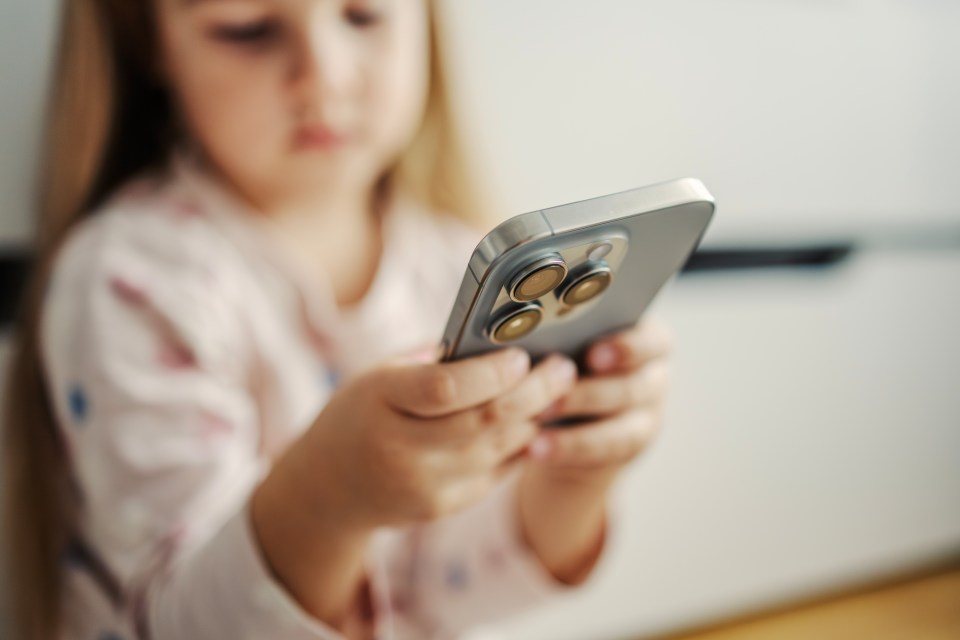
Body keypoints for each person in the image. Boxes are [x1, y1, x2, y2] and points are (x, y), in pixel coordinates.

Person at [1, 1, 674, 638]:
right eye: (248, 27)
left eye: (363, 13)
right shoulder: (129, 281)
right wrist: (329, 499)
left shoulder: (451, 263)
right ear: (151, 44)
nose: (324, 76)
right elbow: (185, 624)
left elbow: (446, 586)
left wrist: (574, 476)